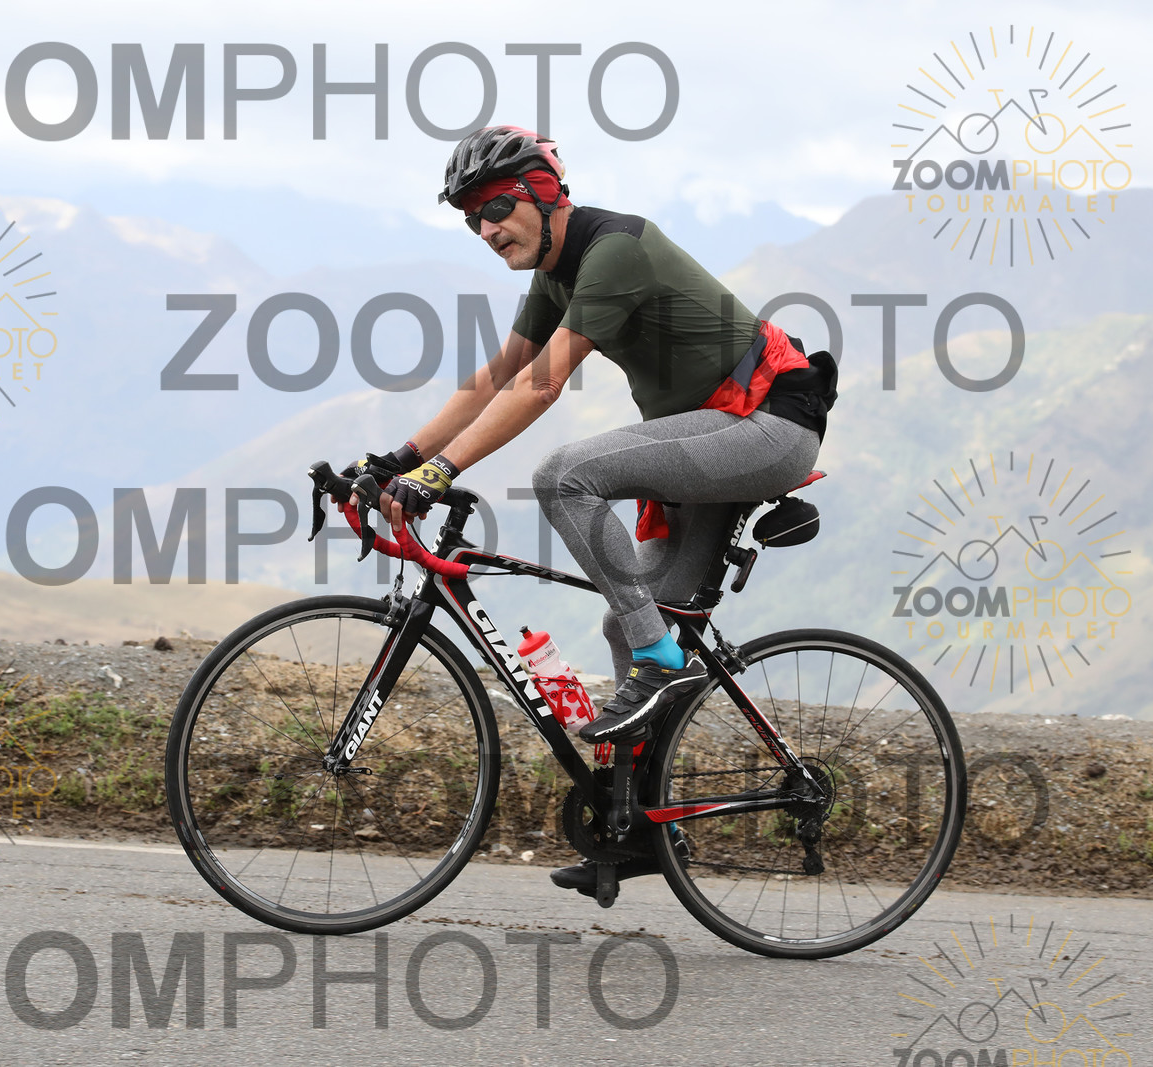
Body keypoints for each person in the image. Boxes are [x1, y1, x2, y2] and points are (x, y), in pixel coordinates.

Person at [357, 125, 834, 892]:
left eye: (497, 207)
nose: (486, 229)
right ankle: (640, 828)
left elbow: (541, 384)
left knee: (564, 477)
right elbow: (497, 376)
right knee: (629, 618)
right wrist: (398, 459)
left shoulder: (616, 250)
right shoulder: (557, 274)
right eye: (472, 219)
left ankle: (660, 662)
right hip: (720, 431)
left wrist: (440, 472)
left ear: (546, 193)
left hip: (769, 423)